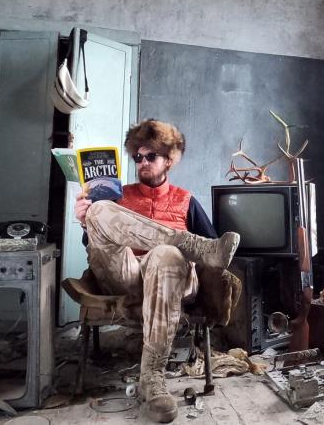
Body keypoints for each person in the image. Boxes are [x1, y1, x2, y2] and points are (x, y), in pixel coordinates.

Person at [74, 119, 240, 423]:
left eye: (151, 156)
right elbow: (95, 246)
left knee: (166, 254)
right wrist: (86, 222)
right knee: (98, 210)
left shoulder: (185, 200)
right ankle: (186, 243)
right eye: (138, 157)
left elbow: (215, 257)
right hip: (125, 273)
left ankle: (152, 379)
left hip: (172, 277)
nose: (143, 162)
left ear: (169, 160)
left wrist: (183, 255)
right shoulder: (118, 196)